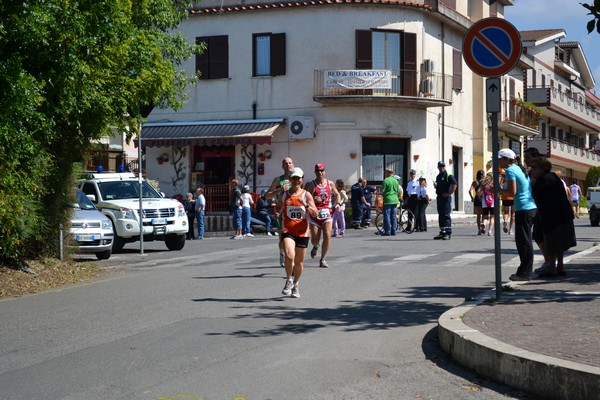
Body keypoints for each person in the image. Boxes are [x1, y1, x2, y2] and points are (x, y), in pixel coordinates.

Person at [529, 157, 576, 277]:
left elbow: (534, 194)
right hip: (564, 214)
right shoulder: (554, 177)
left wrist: (533, 181)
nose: (531, 170)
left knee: (552, 242)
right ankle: (560, 267)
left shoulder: (543, 180)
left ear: (542, 168)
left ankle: (552, 269)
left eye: (534, 167)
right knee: (559, 242)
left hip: (552, 216)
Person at [276, 167, 318, 298]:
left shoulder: (306, 195)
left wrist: (305, 205)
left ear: (302, 179)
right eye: (294, 178)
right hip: (288, 229)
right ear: (291, 179)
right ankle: (288, 280)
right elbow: (278, 206)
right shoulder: (285, 194)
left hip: (302, 231)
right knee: (289, 255)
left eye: (298, 178)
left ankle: (296, 284)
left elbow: (315, 213)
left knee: (299, 262)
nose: (296, 181)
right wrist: (277, 212)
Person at [498, 148, 537, 281]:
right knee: (524, 240)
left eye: (499, 159)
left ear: (506, 159)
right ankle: (524, 271)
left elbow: (512, 192)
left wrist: (497, 190)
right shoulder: (517, 168)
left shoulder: (510, 170)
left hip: (524, 209)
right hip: (528, 207)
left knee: (523, 242)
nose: (498, 161)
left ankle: (525, 273)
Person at [304, 163, 341, 268]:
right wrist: (313, 199)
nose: (320, 173)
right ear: (315, 172)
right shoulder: (312, 184)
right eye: (317, 171)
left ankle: (323, 259)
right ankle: (316, 246)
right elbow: (304, 196)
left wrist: (337, 204)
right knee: (314, 239)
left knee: (327, 236)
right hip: (315, 214)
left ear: (324, 171)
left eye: (321, 170)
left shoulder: (330, 184)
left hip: (327, 213)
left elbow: (337, 194)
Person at [266, 157, 295, 266]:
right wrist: (280, 189)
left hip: (294, 211)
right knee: (283, 239)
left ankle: (291, 260)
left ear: (293, 164)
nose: (288, 165)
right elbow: (267, 195)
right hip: (281, 212)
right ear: (282, 166)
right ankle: (282, 253)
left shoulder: (297, 178)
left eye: (290, 163)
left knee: (294, 238)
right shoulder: (278, 180)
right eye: (285, 163)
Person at [433, 161, 457, 240]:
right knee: (441, 214)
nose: (441, 167)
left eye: (443, 166)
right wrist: (436, 186)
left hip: (446, 198)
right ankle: (442, 232)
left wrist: (450, 193)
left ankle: (448, 233)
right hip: (439, 197)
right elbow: (439, 186)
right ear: (438, 167)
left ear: (445, 166)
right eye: (440, 166)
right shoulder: (438, 176)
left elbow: (455, 184)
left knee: (446, 215)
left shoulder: (448, 175)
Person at [380, 167, 400, 236]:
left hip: (388, 200)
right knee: (393, 216)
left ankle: (387, 231)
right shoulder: (396, 181)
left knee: (387, 216)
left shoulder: (386, 181)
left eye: (385, 172)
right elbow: (397, 190)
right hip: (395, 199)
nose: (385, 174)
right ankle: (393, 231)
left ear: (388, 173)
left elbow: (382, 190)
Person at [469, 170, 484, 235]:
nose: (484, 176)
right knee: (484, 214)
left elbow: (469, 191)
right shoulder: (484, 182)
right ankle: (483, 227)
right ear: (482, 175)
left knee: (478, 215)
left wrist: (472, 198)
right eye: (484, 174)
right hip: (483, 199)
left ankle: (479, 229)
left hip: (477, 199)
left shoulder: (475, 182)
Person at [500, 168, 515, 235]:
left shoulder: (504, 178)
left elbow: (500, 186)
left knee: (506, 212)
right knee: (513, 214)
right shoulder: (513, 178)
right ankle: (510, 229)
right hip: (513, 197)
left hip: (505, 197)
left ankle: (505, 221)